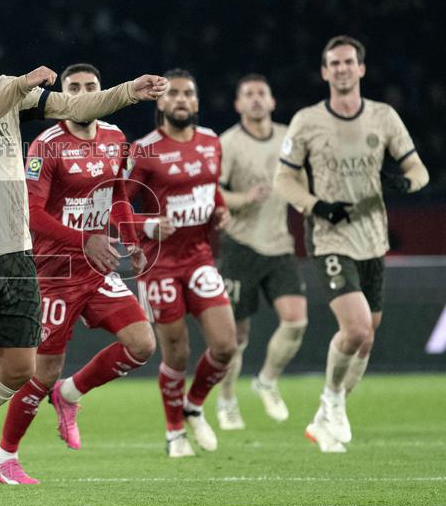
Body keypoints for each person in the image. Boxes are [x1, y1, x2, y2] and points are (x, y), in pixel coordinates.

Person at [0, 7, 168, 506]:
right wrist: (18, 86)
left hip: (17, 251)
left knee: (21, 368)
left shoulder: (1, 86)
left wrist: (130, 90)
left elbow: (75, 102)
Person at [0, 63, 161, 485]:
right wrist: (83, 239)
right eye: (75, 88)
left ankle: (69, 394)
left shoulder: (116, 138)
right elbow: (30, 214)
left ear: (101, 92)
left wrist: (133, 240)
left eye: (91, 87)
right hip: (55, 272)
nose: (84, 93)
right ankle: (3, 459)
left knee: (142, 343)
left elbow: (118, 196)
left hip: (97, 268)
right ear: (64, 95)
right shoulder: (46, 145)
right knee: (40, 372)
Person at [274, 36, 428, 453]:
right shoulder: (307, 121)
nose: (341, 69)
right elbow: (283, 178)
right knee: (355, 327)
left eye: (348, 62)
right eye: (333, 64)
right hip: (329, 237)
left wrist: (403, 182)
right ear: (324, 72)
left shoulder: (384, 117)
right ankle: (332, 401)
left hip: (372, 239)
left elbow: (419, 170)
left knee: (367, 337)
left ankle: (326, 418)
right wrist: (316, 206)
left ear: (361, 69)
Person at [127, 68, 237, 458]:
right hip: (159, 264)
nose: (181, 100)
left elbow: (210, 189)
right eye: (172, 94)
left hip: (200, 258)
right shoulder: (144, 150)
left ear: (197, 101)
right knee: (177, 353)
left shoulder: (211, 142)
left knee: (225, 346)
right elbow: (117, 207)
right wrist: (146, 225)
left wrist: (219, 211)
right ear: (160, 102)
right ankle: (175, 430)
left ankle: (193, 405)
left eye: (188, 94)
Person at [214, 74, 308, 430]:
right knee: (235, 338)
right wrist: (243, 199)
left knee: (296, 320)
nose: (255, 99)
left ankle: (266, 380)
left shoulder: (288, 139)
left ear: (271, 102)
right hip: (240, 246)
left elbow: (302, 178)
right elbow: (216, 194)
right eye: (248, 94)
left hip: (279, 245)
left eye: (261, 94)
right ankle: (226, 401)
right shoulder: (229, 144)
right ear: (238, 105)